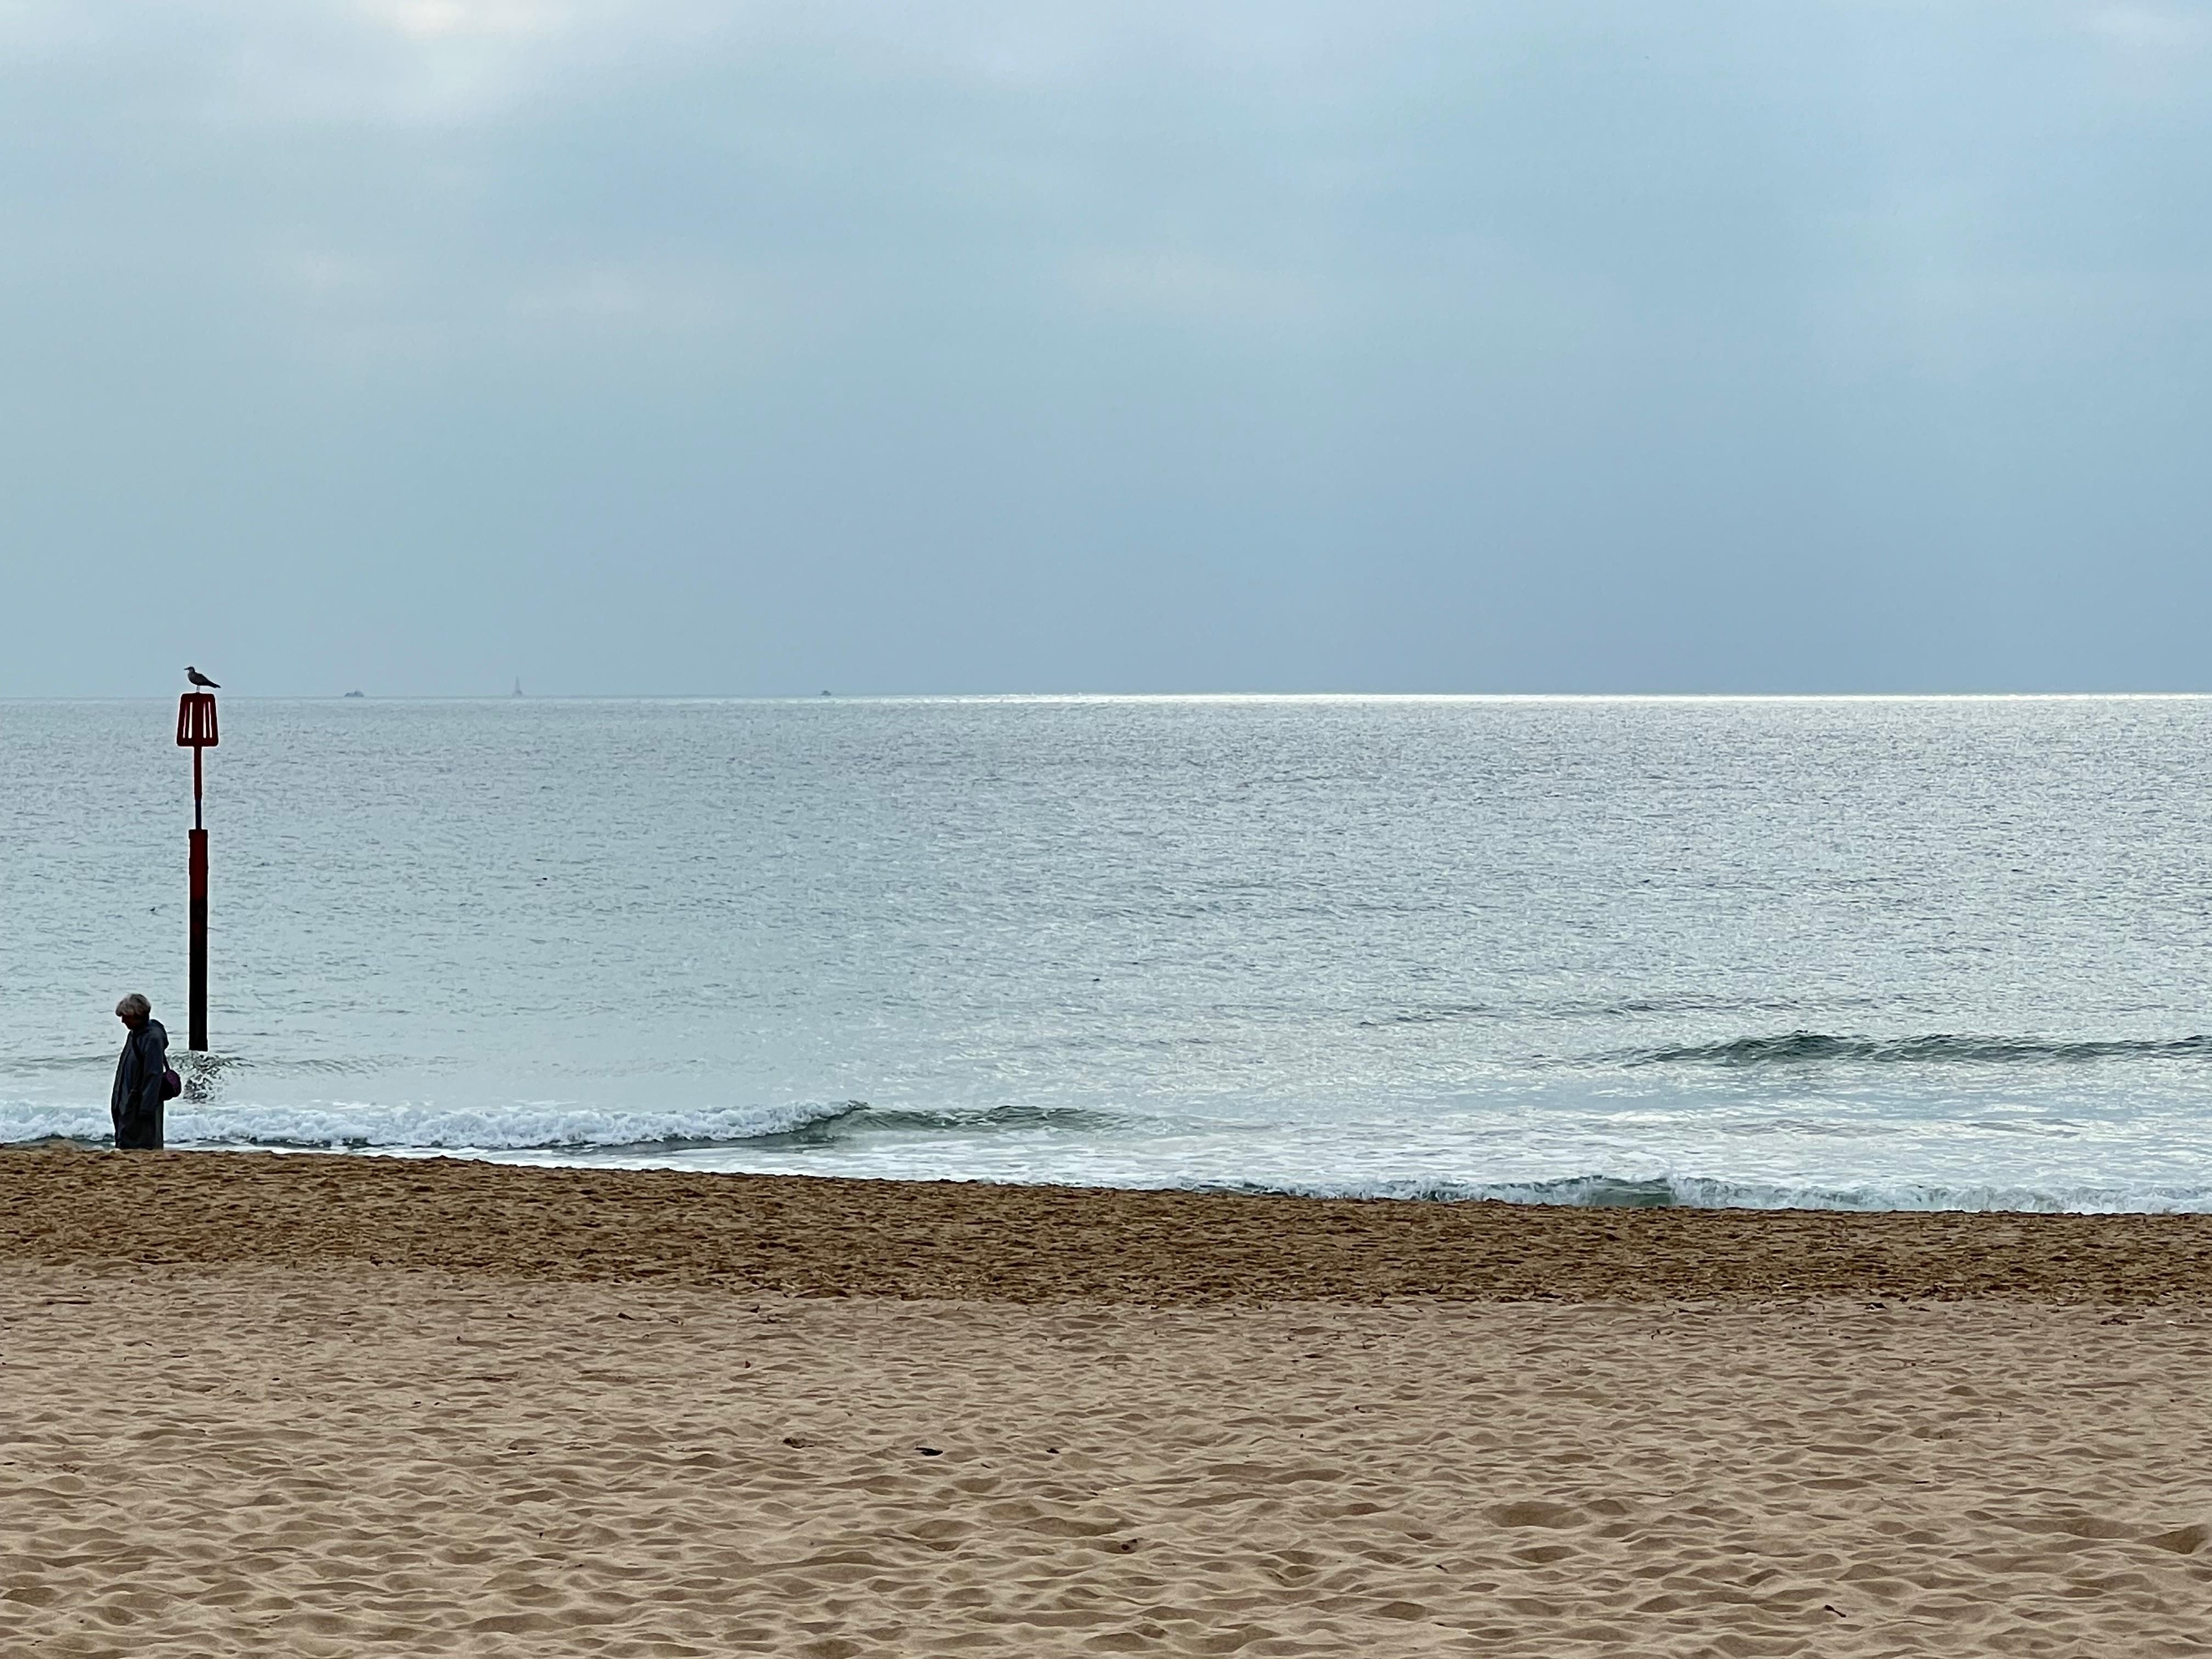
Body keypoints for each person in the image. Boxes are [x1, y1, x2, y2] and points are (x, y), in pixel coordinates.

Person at [111, 994, 169, 1150]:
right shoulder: (134, 1034)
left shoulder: (152, 1039)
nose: (123, 1021)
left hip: (140, 1104)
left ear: (137, 1016)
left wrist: (146, 1108)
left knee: (144, 1143)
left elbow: (153, 1075)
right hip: (128, 1101)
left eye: (125, 1017)